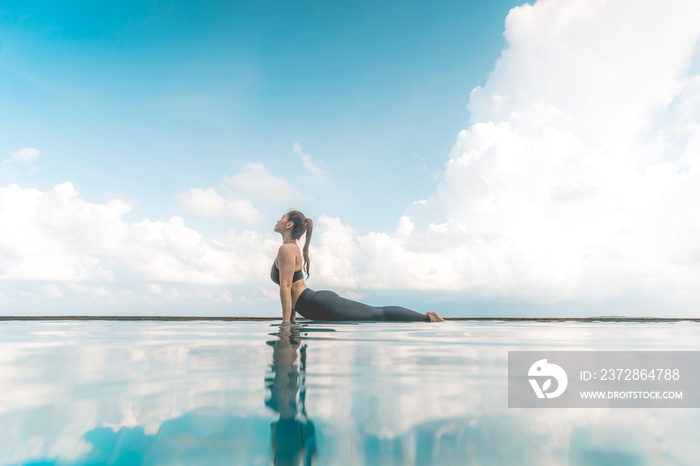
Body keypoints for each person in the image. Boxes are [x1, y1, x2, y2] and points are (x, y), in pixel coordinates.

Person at [271, 210, 446, 323]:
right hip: (312, 304)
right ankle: (426, 318)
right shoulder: (290, 248)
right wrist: (291, 319)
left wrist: (286, 324)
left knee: (377, 314)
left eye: (282, 217)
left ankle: (428, 318)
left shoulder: (287, 249)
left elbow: (286, 287)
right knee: (376, 314)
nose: (278, 219)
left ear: (289, 225)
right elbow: (288, 286)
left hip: (316, 304)